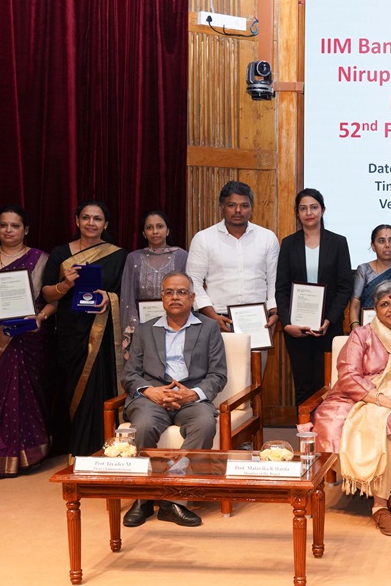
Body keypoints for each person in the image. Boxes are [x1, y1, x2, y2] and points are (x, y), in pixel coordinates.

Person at [310, 279, 391, 536]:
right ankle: (385, 498)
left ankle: (378, 505)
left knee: (388, 422)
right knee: (336, 426)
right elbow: (348, 377)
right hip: (353, 399)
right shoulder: (361, 335)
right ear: (375, 309)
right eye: (385, 304)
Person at [118, 272, 228, 528]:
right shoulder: (145, 330)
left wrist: (194, 393)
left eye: (181, 292)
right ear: (162, 297)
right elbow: (130, 374)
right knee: (142, 426)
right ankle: (144, 498)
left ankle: (173, 499)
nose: (175, 297)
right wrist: (150, 391)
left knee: (205, 424)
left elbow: (218, 374)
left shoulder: (209, 328)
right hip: (152, 399)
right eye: (169, 292)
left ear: (192, 297)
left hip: (191, 398)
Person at [0, 205, 55, 478]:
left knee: (26, 395)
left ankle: (30, 454)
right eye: (3, 225)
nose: (9, 230)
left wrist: (40, 316)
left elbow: (55, 299)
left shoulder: (41, 259)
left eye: (15, 225)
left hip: (29, 337)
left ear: (25, 230)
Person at [42, 200, 128, 457]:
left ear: (106, 224)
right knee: (72, 388)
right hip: (70, 333)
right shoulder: (60, 253)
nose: (91, 223)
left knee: (99, 390)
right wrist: (65, 285)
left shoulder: (119, 255)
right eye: (86, 218)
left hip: (103, 332)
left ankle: (103, 449)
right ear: (77, 221)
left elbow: (125, 295)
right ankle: (76, 449)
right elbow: (47, 294)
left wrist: (108, 298)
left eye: (97, 219)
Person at [276, 188, 352, 407]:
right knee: (303, 385)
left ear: (323, 210)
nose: (308, 212)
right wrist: (286, 323)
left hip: (328, 326)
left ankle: (324, 427)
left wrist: (329, 319)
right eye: (303, 208)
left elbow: (345, 287)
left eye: (313, 207)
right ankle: (303, 428)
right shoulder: (288, 244)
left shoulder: (338, 243)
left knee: (327, 384)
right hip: (296, 328)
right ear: (297, 213)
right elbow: (281, 288)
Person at [185, 180, 279, 338]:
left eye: (244, 205)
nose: (238, 210)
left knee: (255, 356)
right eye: (231, 205)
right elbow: (193, 282)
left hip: (257, 320)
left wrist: (274, 312)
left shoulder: (267, 238)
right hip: (217, 318)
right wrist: (212, 316)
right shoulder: (203, 238)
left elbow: (274, 281)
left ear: (251, 208)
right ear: (221, 207)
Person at [119, 210, 188, 355]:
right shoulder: (133, 258)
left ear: (167, 230)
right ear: (144, 233)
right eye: (149, 227)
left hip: (176, 325)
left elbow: (188, 293)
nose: (155, 231)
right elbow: (127, 297)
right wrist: (136, 328)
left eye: (160, 226)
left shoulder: (181, 256)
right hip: (143, 327)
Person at [347, 224, 391, 331]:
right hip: (367, 329)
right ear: (373, 246)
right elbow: (355, 301)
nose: (387, 245)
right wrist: (355, 327)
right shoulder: (364, 270)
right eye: (381, 241)